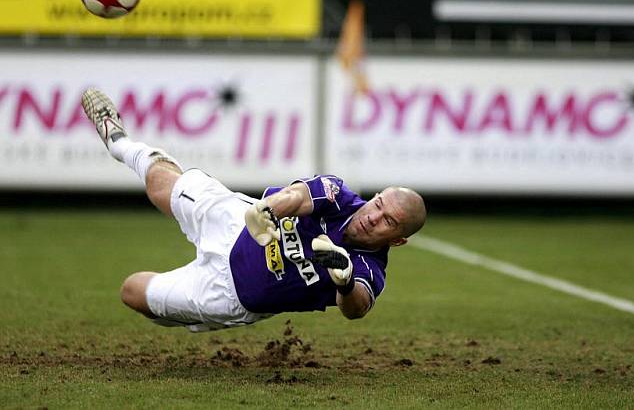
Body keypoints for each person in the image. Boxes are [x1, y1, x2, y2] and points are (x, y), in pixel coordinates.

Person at [81, 88, 426, 332]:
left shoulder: (370, 267)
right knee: (162, 186)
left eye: (388, 222)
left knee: (133, 291)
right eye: (378, 205)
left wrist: (345, 280)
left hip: (231, 292)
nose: (373, 217)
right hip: (236, 222)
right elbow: (298, 196)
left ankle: (186, 313)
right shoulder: (338, 195)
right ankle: (119, 143)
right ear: (376, 195)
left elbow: (357, 308)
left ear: (397, 241)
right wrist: (267, 213)